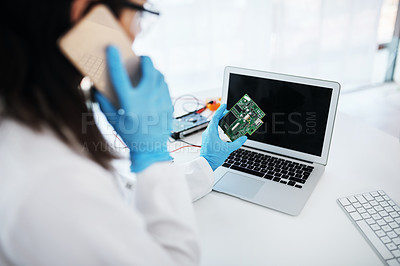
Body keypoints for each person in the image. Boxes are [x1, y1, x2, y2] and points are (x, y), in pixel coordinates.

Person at [0, 0, 247, 265]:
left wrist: (204, 166)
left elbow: (118, 207)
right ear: (84, 11)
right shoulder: (52, 180)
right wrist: (153, 155)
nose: (136, 32)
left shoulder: (31, 116)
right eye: (139, 13)